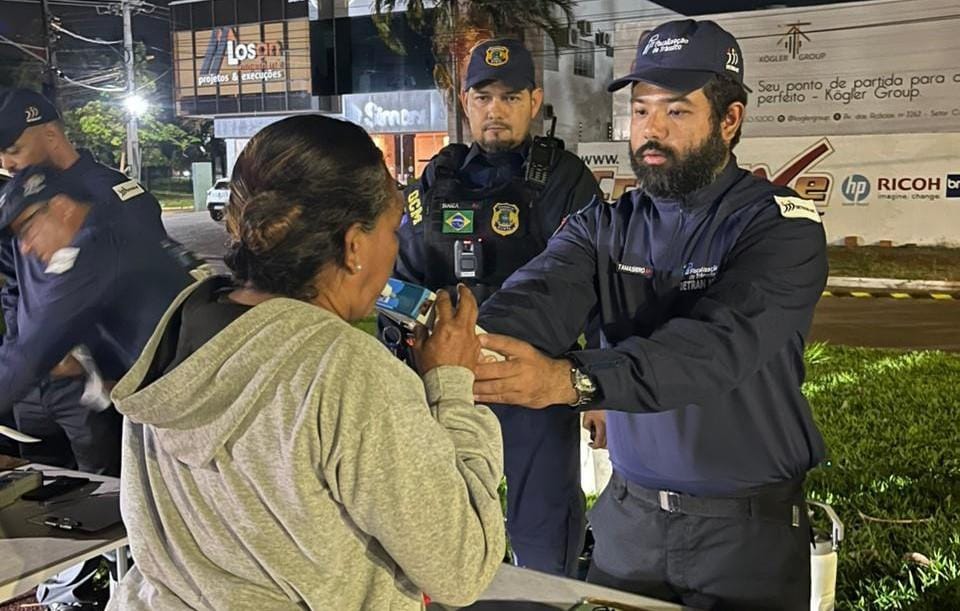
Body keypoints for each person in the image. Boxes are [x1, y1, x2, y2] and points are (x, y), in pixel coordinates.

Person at [473, 19, 827, 610]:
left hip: (745, 536)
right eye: (640, 111)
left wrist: (571, 380)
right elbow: (536, 295)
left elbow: (718, 346)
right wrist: (474, 340)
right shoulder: (604, 225)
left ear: (730, 120)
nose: (650, 131)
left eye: (676, 111)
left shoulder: (778, 226)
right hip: (629, 524)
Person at [107, 115, 506, 610]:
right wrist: (451, 388)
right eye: (392, 229)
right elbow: (462, 567)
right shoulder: (347, 373)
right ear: (354, 246)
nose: (395, 247)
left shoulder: (181, 329)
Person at [386, 37, 604, 578]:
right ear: (466, 103)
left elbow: (599, 283)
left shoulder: (565, 178)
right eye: (483, 97)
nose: (495, 110)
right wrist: (394, 373)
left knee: (542, 529)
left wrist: (603, 393)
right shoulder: (436, 180)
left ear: (535, 101)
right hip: (447, 383)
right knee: (442, 525)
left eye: (510, 97)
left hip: (533, 381)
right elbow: (402, 280)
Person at [0, 87, 166, 474]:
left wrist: (93, 360)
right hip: (33, 384)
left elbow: (149, 295)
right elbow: (14, 285)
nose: (7, 163)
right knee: (40, 489)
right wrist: (19, 341)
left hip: (95, 386)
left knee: (106, 493)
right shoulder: (18, 198)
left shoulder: (116, 198)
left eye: (14, 149)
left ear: (50, 134)